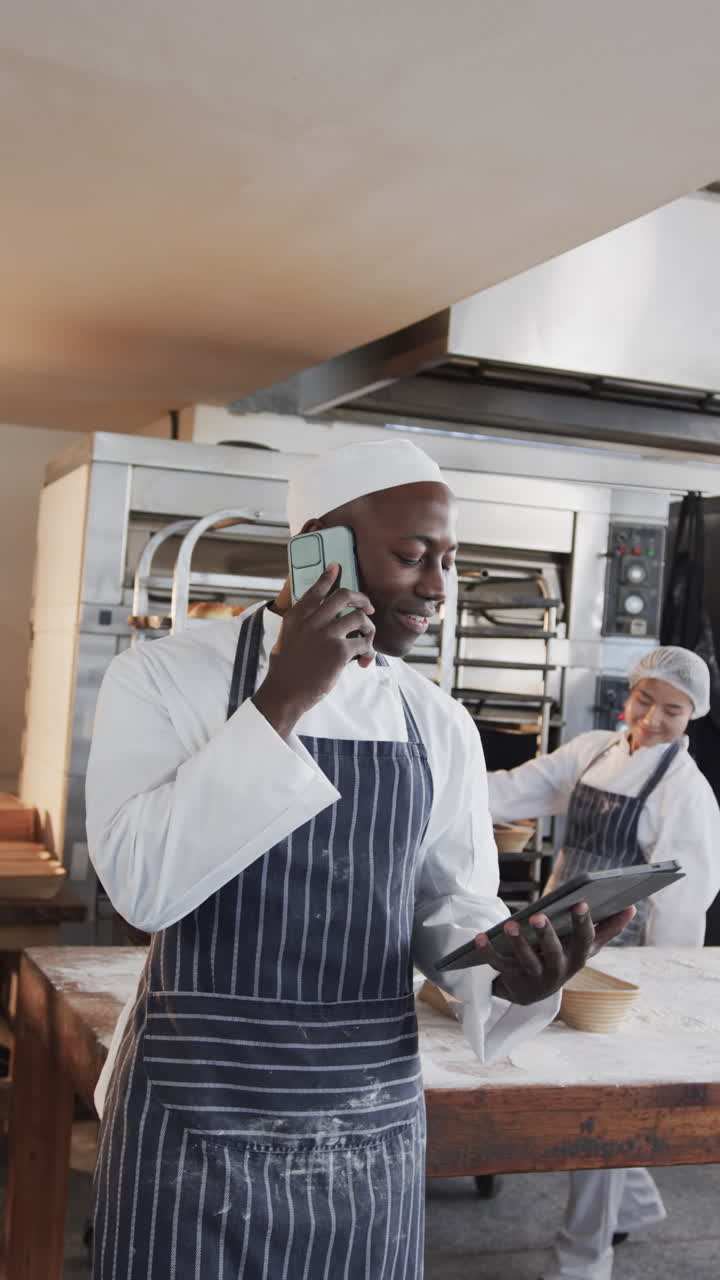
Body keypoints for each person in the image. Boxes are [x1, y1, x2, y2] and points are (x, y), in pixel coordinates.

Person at [86, 438, 632, 1279]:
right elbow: (139, 889)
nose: (438, 590)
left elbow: (453, 910)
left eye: (450, 561)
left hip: (366, 1126)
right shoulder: (161, 677)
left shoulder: (433, 720)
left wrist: (516, 979)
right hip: (195, 1121)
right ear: (320, 551)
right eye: (412, 557)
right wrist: (282, 700)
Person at [488, 645, 720, 1280]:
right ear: (631, 691)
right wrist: (440, 787)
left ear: (691, 715)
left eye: (672, 710)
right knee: (580, 1094)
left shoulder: (685, 791)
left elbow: (686, 898)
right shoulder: (594, 750)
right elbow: (514, 791)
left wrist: (667, 982)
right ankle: (636, 1203)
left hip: (625, 962)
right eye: (645, 700)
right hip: (565, 940)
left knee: (595, 1108)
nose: (652, 718)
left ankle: (583, 1259)